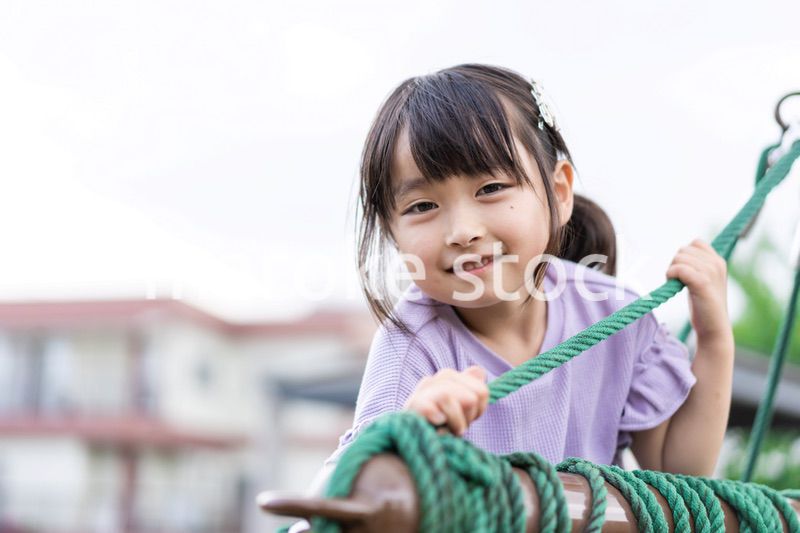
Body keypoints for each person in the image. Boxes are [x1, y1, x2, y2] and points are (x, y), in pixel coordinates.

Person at [310, 63, 734, 496]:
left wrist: (715, 339)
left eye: (491, 187)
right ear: (392, 232)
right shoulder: (413, 345)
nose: (462, 231)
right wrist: (406, 436)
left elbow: (678, 472)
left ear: (559, 193)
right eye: (422, 206)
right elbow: (344, 490)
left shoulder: (614, 318)